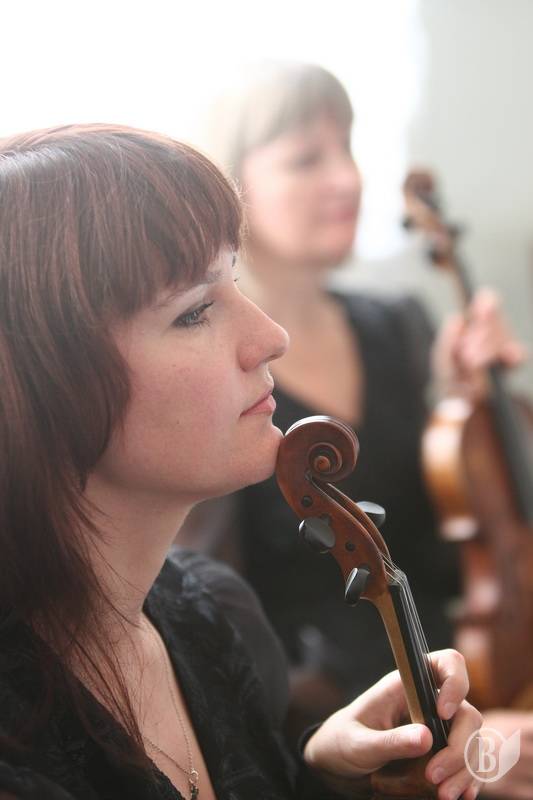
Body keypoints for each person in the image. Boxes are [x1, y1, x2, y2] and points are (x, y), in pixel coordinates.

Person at [0, 124, 481, 800]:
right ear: (38, 385)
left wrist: (321, 774)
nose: (271, 336)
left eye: (232, 279)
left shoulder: (212, 616)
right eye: (194, 312)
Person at [183, 61, 533, 798]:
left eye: (347, 147)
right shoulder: (215, 373)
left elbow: (455, 548)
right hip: (340, 736)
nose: (347, 177)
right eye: (306, 158)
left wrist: (471, 415)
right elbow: (215, 637)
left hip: (470, 683)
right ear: (232, 185)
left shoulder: (396, 326)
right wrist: (447, 749)